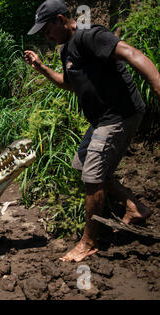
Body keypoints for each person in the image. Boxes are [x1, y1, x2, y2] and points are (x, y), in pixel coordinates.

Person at [23, 0, 160, 262]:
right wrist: (41, 68)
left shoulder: (90, 35)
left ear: (62, 20)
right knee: (83, 164)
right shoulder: (67, 51)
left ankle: (88, 242)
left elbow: (133, 54)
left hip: (119, 115)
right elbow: (69, 83)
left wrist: (157, 87)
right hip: (100, 120)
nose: (46, 35)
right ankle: (136, 208)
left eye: (47, 29)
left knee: (93, 175)